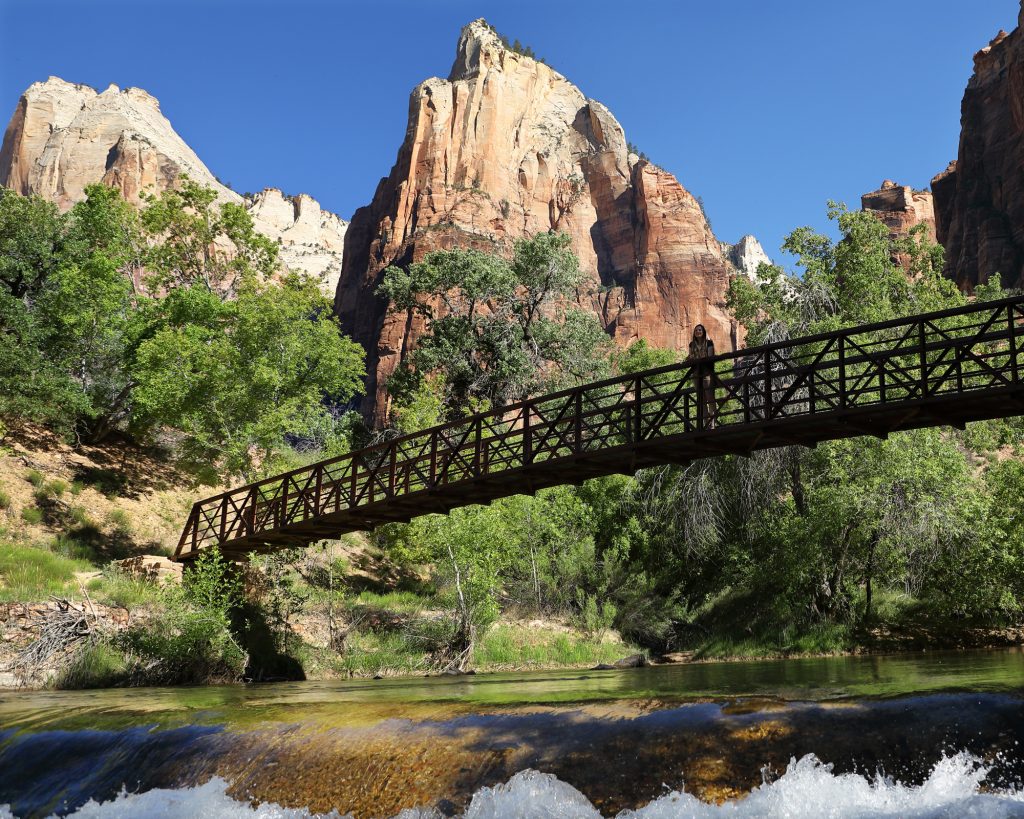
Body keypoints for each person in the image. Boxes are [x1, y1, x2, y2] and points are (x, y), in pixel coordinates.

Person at [686, 324, 719, 429]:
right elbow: (691, 357)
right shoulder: (692, 345)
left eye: (700, 330)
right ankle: (706, 423)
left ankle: (713, 422)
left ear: (703, 331)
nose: (698, 331)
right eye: (696, 330)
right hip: (696, 373)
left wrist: (696, 359)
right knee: (701, 399)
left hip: (707, 372)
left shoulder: (709, 343)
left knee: (710, 397)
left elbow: (710, 356)